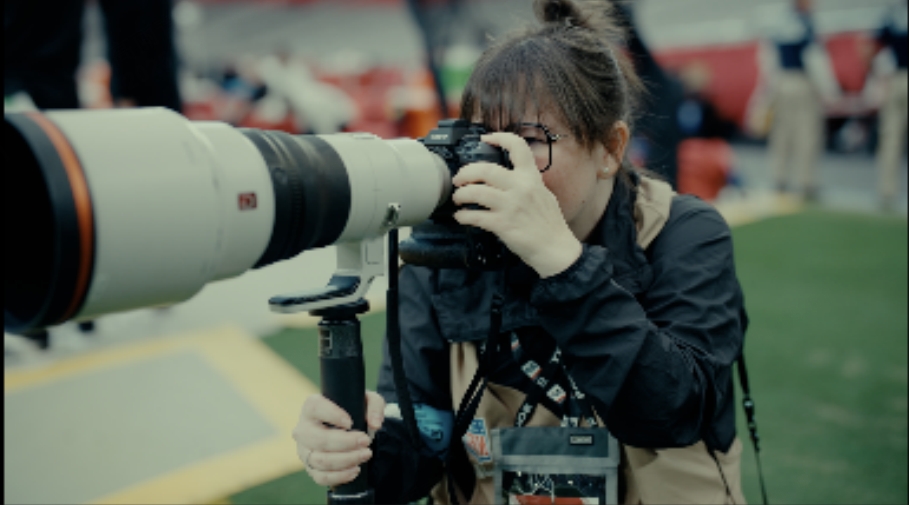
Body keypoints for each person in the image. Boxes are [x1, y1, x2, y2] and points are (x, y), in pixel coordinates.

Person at [293, 0, 749, 503]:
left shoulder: (683, 233)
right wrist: (360, 449)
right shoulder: (443, 253)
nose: (502, 167)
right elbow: (424, 441)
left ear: (611, 148)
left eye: (529, 140)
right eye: (485, 142)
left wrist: (562, 262)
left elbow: (671, 412)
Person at [758, 0, 834, 200]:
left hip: (781, 83)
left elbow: (768, 60)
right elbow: (815, 59)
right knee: (807, 134)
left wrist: (768, 90)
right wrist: (828, 90)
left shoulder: (777, 23)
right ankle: (806, 181)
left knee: (781, 134)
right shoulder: (806, 23)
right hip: (802, 82)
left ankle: (779, 178)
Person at [870, 1, 908, 211]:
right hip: (895, 78)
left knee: (891, 138)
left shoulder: (891, 15)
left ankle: (887, 191)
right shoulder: (892, 15)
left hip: (894, 79)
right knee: (891, 137)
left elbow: (873, 49)